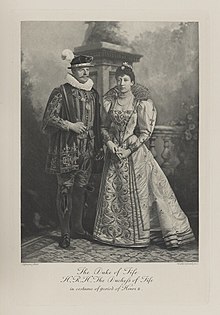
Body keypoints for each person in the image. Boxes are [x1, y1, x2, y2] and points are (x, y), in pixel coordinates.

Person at [93, 62, 195, 249]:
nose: (121, 83)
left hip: (134, 153)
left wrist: (129, 149)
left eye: (125, 80)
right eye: (119, 80)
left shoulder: (142, 103)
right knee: (115, 194)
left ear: (132, 82)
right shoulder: (109, 101)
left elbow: (145, 133)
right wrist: (109, 144)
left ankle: (140, 234)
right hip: (114, 153)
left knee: (144, 193)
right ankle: (116, 234)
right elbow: (104, 127)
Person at [42, 49, 103, 249]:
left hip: (87, 149)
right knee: (65, 190)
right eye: (80, 69)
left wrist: (98, 146)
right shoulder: (61, 91)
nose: (85, 73)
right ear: (72, 70)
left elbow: (97, 122)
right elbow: (49, 118)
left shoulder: (93, 94)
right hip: (67, 149)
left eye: (87, 69)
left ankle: (78, 228)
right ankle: (65, 232)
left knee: (81, 189)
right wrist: (71, 125)